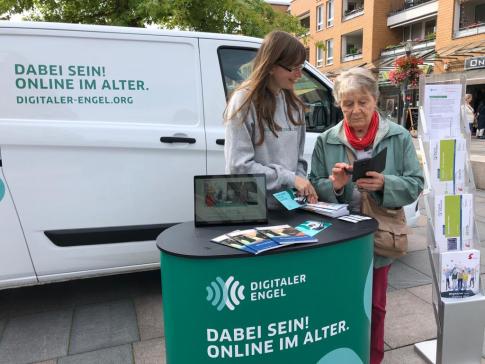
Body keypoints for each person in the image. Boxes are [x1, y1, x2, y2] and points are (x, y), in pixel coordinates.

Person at [309, 67, 423, 364]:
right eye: (348, 103)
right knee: (337, 306)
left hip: (380, 235)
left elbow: (415, 183)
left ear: (375, 101)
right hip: (339, 240)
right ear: (339, 105)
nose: (356, 110)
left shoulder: (397, 137)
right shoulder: (327, 140)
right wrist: (333, 185)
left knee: (375, 307)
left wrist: (386, 184)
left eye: (363, 102)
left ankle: (373, 359)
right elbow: (313, 185)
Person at [224, 31, 317, 207]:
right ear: (271, 66)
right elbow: (238, 167)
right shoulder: (243, 101)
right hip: (253, 208)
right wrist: (290, 179)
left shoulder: (295, 105)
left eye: (301, 67)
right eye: (293, 68)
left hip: (291, 206)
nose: (299, 74)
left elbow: (299, 161)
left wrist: (301, 186)